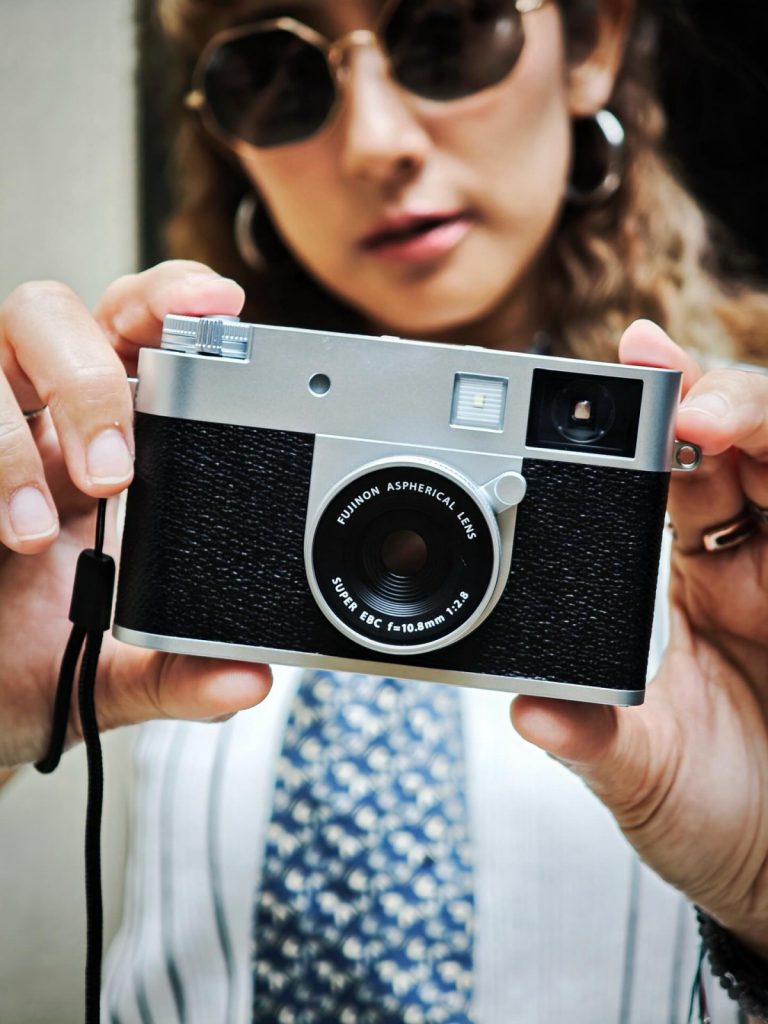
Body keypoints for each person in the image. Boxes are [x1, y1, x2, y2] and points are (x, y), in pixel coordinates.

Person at [1, 0, 767, 1020]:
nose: (375, 142)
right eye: (277, 75)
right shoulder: (152, 452)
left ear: (591, 44)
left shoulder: (741, 486)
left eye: (447, 34)